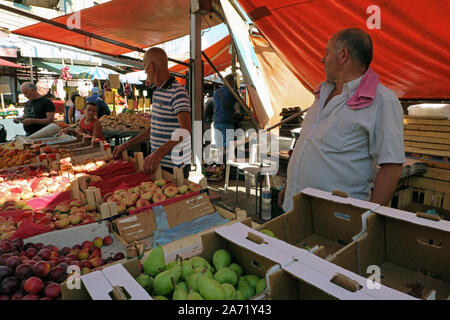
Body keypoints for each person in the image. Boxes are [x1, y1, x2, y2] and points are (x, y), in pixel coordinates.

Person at [279, 28, 405, 211]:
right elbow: (308, 145)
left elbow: (392, 166)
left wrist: (369, 217)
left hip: (335, 219)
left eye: (327, 52)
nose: (323, 58)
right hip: (295, 207)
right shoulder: (323, 92)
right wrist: (289, 186)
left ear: (343, 55)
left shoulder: (383, 101)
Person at [112, 47, 192, 176]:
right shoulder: (157, 92)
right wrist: (126, 145)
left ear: (151, 67)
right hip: (158, 163)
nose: (145, 72)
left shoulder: (178, 92)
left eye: (145, 67)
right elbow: (153, 129)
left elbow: (186, 130)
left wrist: (158, 153)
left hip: (175, 166)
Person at [213, 74, 238, 149]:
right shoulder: (233, 92)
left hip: (216, 121)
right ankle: (226, 160)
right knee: (227, 146)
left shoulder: (216, 92)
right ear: (231, 81)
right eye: (233, 81)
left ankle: (220, 160)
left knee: (219, 145)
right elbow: (241, 105)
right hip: (227, 121)